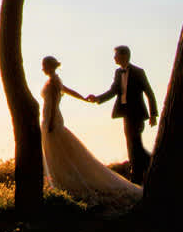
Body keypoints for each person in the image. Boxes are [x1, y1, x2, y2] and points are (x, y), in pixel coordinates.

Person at [39, 55, 143, 202]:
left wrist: (49, 123)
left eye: (44, 65)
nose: (42, 68)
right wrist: (83, 98)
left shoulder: (54, 82)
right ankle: (59, 185)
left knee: (58, 153)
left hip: (52, 121)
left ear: (50, 66)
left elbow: (54, 102)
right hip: (48, 120)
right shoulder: (54, 81)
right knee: (56, 153)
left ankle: (65, 184)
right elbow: (70, 92)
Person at [88, 44, 159, 183]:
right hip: (125, 114)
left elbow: (149, 93)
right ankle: (139, 173)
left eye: (116, 55)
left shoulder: (139, 72)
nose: (114, 58)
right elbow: (113, 91)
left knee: (135, 144)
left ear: (124, 56)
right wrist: (98, 98)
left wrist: (153, 114)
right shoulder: (118, 73)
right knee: (131, 144)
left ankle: (149, 168)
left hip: (137, 114)